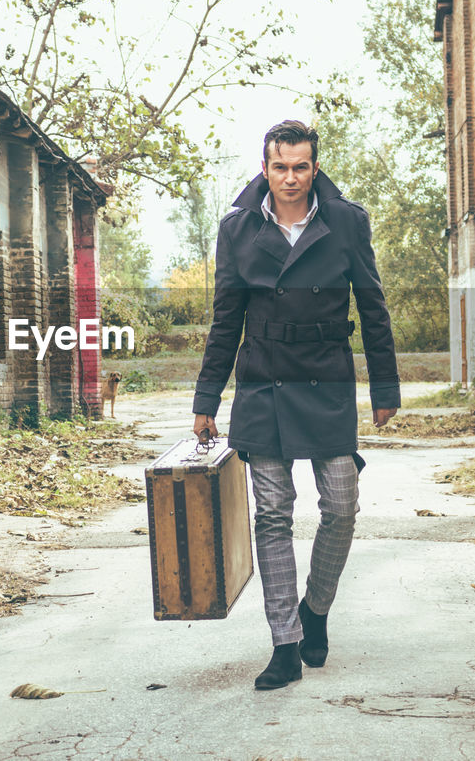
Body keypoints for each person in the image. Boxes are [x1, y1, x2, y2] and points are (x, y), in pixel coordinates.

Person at [192, 119, 400, 690]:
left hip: (327, 379)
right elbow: (225, 317)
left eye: (300, 167)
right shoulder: (237, 228)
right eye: (279, 167)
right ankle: (284, 643)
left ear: (314, 167)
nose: (290, 177)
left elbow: (374, 308)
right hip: (262, 383)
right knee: (274, 515)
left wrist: (385, 388)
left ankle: (316, 607)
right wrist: (207, 398)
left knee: (341, 503)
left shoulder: (346, 222)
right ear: (265, 168)